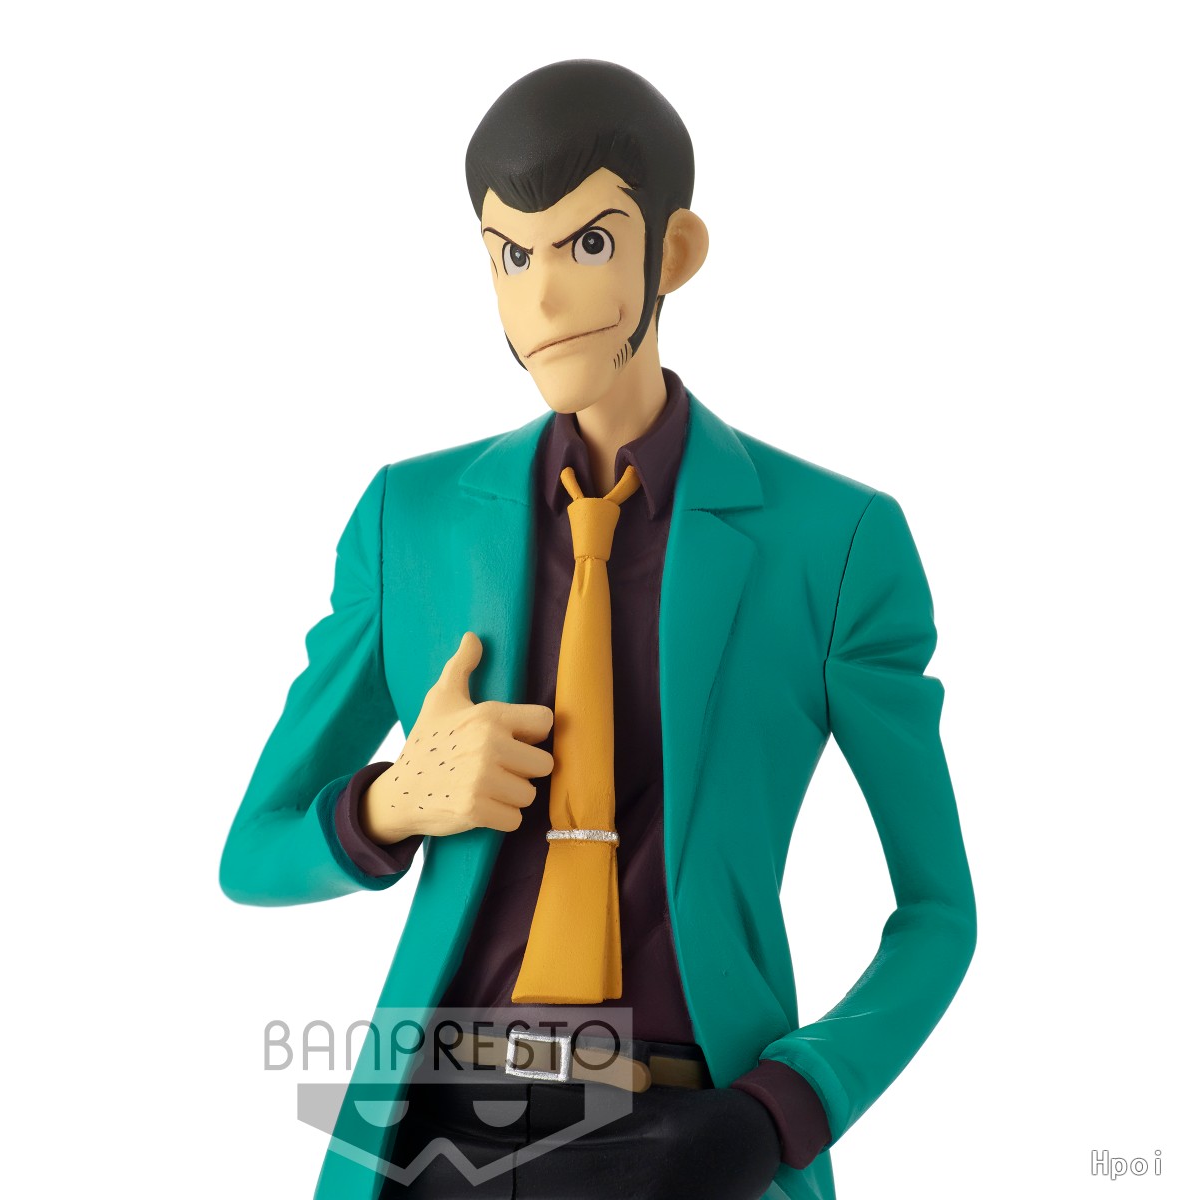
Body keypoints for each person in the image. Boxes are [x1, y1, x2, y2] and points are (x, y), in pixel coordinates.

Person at [220, 60, 976, 1200]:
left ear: (675, 252)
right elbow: (252, 853)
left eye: (587, 244)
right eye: (511, 256)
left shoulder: (835, 544)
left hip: (687, 1139)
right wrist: (396, 800)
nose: (544, 300)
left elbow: (938, 913)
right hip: (432, 1139)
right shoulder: (407, 521)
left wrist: (784, 1108)